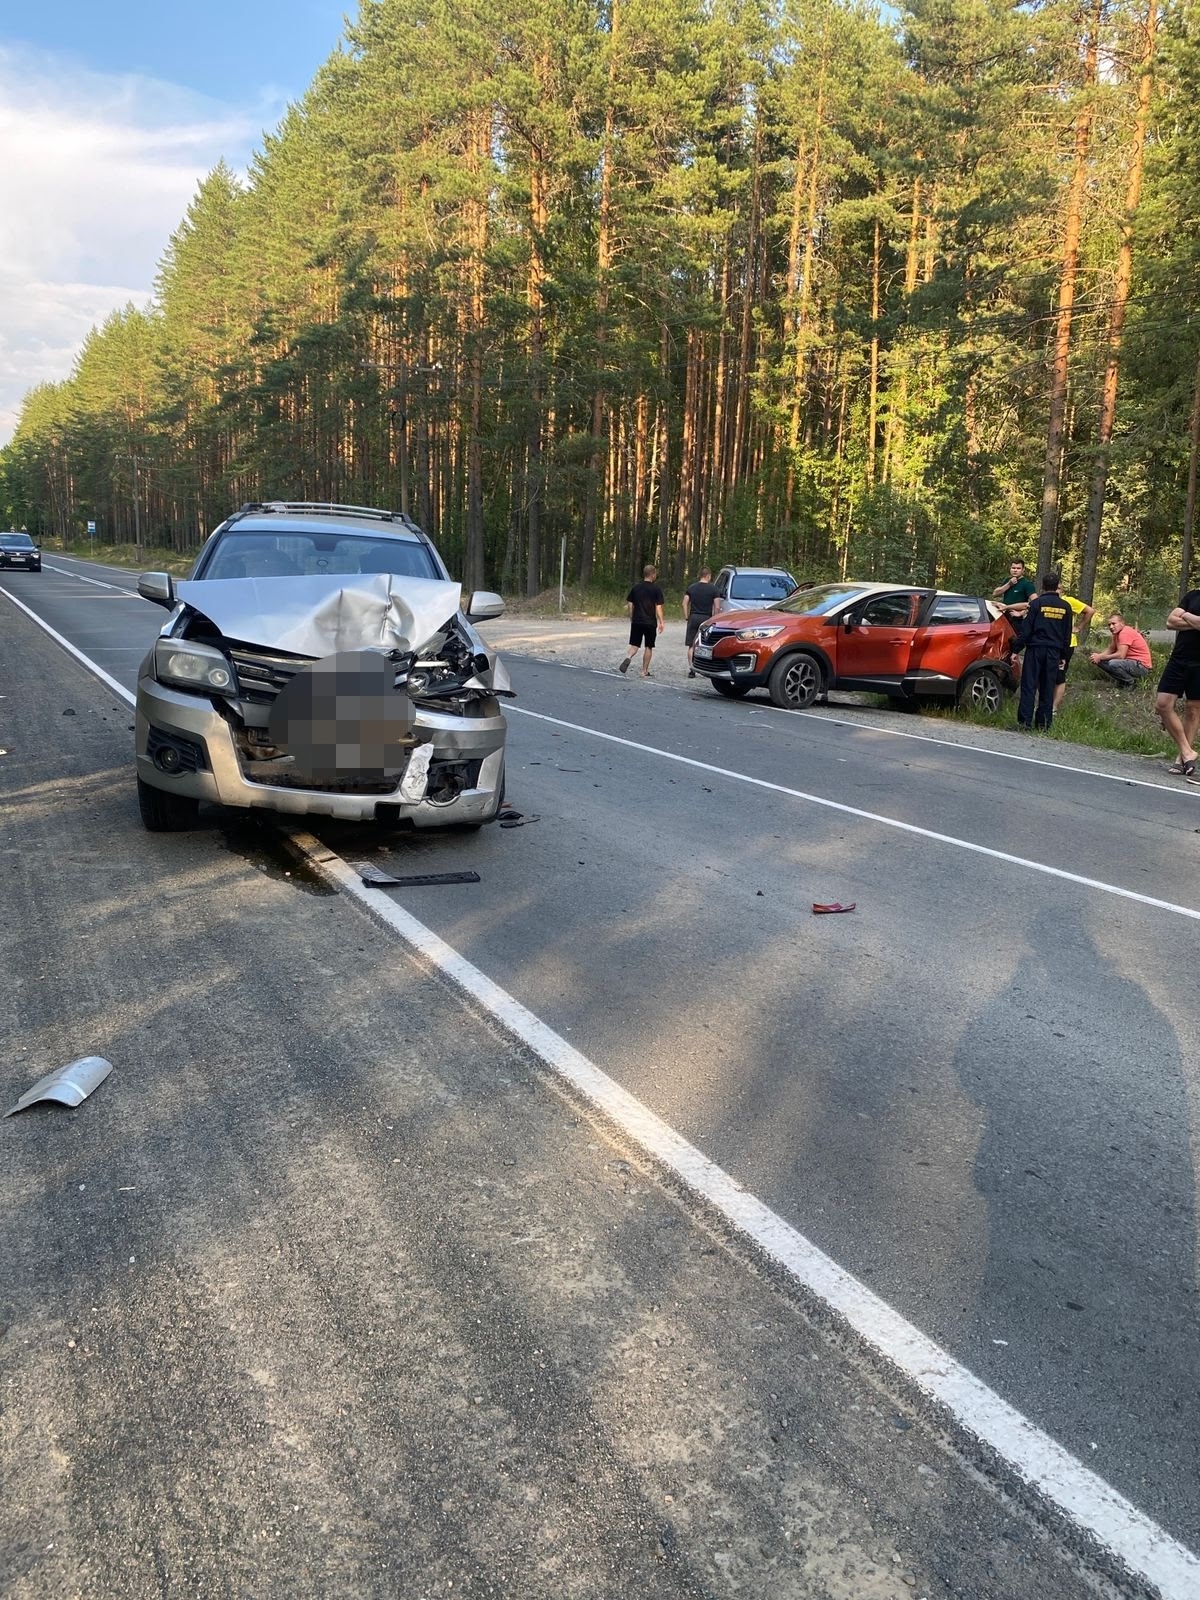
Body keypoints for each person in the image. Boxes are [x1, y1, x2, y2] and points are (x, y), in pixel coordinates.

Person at [1013, 571, 1073, 730]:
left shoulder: (1036, 604)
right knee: (1048, 687)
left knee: (1029, 685)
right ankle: (1043, 724)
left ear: (1043, 586)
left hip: (1035, 649)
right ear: (1057, 586)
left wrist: (1016, 649)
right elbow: (1067, 634)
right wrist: (1063, 655)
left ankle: (1024, 722)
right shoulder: (1066, 607)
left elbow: (1026, 630)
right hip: (1054, 652)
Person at [1156, 587, 1200, 777]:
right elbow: (1170, 622)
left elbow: (1181, 620)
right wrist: (1194, 621)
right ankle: (1187, 751)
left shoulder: (1188, 606)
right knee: (1163, 704)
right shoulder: (1193, 595)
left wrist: (1185, 615)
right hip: (1179, 658)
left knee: (1193, 709)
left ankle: (1182, 759)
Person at [1052, 589, 1095, 712]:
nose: (1056, 590)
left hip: (1067, 643)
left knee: (1059, 674)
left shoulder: (1069, 601)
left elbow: (1090, 611)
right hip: (1050, 642)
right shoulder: (1047, 601)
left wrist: (1079, 627)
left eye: (1058, 588)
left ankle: (1054, 707)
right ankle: (1046, 702)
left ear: (1061, 590)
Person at [619, 564, 666, 678]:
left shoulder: (636, 588)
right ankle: (644, 671)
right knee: (648, 646)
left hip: (637, 621)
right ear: (653, 574)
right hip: (650, 622)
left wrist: (631, 616)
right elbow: (658, 607)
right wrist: (661, 622)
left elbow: (630, 603)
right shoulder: (656, 589)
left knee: (634, 645)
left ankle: (628, 657)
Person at [1089, 612, 1153, 687]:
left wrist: (1100, 657)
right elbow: (1111, 649)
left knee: (1113, 663)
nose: (1111, 627)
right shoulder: (1116, 634)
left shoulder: (1125, 633)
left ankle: (1130, 683)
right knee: (1099, 660)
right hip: (1131, 663)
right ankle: (1124, 681)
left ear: (1122, 623)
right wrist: (1097, 657)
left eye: (1114, 624)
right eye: (1109, 625)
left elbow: (1120, 655)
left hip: (1141, 667)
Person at [682, 566, 719, 677]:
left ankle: (692, 669)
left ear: (700, 575)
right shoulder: (714, 589)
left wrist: (687, 616)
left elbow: (684, 603)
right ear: (708, 576)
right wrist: (715, 619)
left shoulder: (691, 587)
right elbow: (717, 607)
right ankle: (705, 669)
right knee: (706, 644)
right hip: (706, 619)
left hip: (693, 617)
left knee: (691, 645)